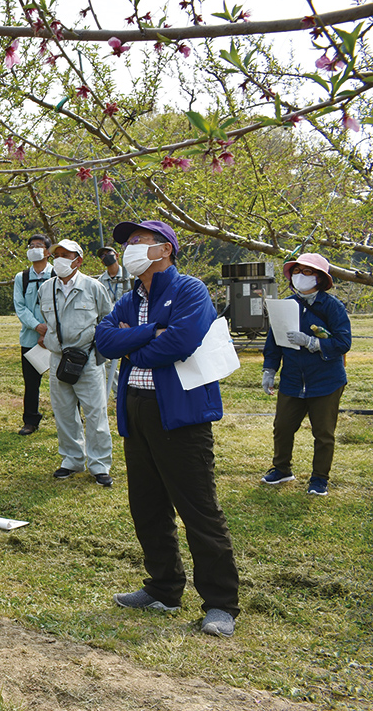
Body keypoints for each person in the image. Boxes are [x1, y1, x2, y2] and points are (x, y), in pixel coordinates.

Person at [95, 219, 240, 638]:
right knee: (147, 506)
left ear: (164, 249)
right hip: (137, 411)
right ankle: (163, 587)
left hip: (180, 415)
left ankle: (220, 603)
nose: (128, 249)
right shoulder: (129, 298)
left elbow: (180, 342)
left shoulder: (190, 290)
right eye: (127, 243)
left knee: (198, 510)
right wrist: (147, 334)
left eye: (138, 241)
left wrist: (133, 345)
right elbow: (104, 341)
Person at [260, 252, 351, 496]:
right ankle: (281, 469)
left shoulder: (332, 307)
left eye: (308, 272)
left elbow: (343, 342)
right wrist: (269, 370)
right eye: (297, 271)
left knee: (323, 433)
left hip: (326, 381)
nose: (301, 276)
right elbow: (274, 342)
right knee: (282, 426)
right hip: (292, 380)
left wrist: (311, 342)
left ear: (320, 278)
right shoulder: (285, 305)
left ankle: (319, 478)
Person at [39, 240, 114, 486]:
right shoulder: (46, 288)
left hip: (88, 359)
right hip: (59, 359)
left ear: (78, 260)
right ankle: (71, 459)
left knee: (95, 413)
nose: (59, 259)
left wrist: (97, 350)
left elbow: (107, 318)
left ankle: (99, 464)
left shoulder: (94, 287)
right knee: (63, 412)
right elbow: (47, 320)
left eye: (65, 255)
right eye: (56, 255)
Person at [12, 234, 54, 436]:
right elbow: (20, 307)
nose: (34, 248)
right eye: (31, 246)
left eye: (39, 245)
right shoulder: (22, 277)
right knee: (31, 382)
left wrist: (49, 330)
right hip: (30, 338)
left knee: (65, 379)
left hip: (56, 338)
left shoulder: (57, 274)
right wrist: (37, 327)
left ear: (47, 251)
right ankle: (30, 420)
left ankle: (72, 416)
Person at [95, 246, 132, 399]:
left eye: (108, 254)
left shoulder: (131, 276)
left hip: (129, 325)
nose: (106, 257)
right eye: (102, 256)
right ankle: (118, 394)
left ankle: (129, 391)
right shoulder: (100, 281)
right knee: (109, 363)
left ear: (117, 255)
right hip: (110, 325)